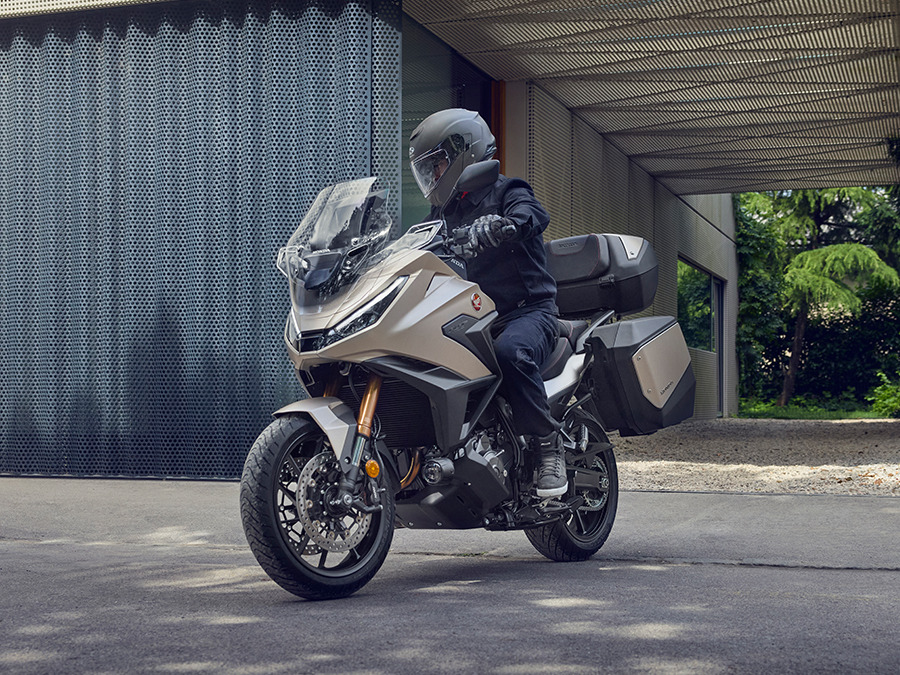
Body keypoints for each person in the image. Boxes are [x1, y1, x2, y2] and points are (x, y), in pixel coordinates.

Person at [408, 108, 567, 498]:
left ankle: (548, 446)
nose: (433, 175)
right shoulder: (441, 214)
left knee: (510, 352)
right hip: (475, 316)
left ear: (465, 152)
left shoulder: (508, 191)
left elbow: (533, 215)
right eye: (427, 169)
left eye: (437, 164)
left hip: (528, 313)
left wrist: (503, 225)